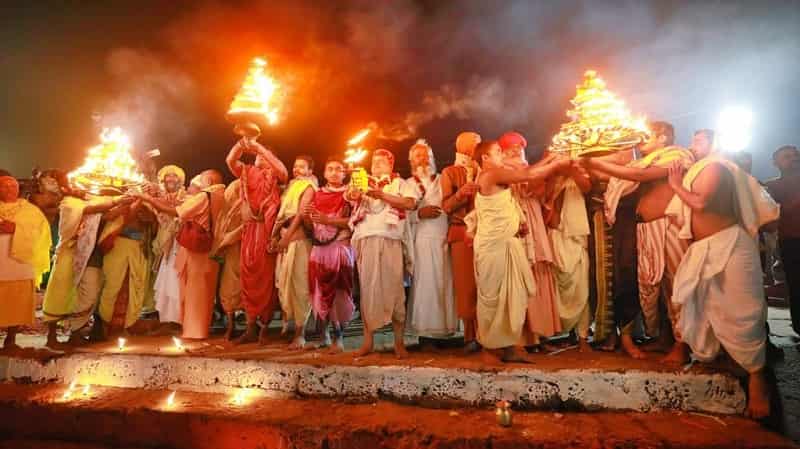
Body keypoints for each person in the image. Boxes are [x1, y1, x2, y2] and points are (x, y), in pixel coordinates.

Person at [665, 129, 779, 418]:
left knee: (742, 312)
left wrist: (676, 184)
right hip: (705, 248)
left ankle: (758, 380)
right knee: (697, 303)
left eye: (699, 139)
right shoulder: (700, 170)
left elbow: (701, 203)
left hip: (730, 244)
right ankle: (690, 352)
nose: (692, 144)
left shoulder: (715, 166)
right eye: (693, 139)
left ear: (715, 145)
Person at [582, 122, 695, 362]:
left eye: (646, 135)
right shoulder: (644, 160)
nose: (639, 139)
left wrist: (593, 161)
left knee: (677, 287)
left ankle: (682, 347)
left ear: (663, 137)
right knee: (658, 288)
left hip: (669, 228)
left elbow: (640, 176)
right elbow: (624, 175)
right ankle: (666, 338)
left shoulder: (676, 155)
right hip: (647, 230)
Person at [467, 140, 570, 363]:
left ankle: (509, 347)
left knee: (514, 297)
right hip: (493, 247)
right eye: (497, 152)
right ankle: (489, 350)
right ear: (484, 158)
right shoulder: (490, 175)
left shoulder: (496, 175)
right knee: (493, 300)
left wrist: (552, 157)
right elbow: (530, 174)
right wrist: (555, 160)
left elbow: (526, 174)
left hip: (508, 243)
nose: (502, 155)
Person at [138, 170, 225, 339]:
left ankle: (194, 332)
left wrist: (147, 198)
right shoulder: (220, 195)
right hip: (209, 250)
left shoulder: (204, 196)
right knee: (203, 290)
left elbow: (176, 212)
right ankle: (194, 328)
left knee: (194, 291)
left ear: (207, 181)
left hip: (196, 250)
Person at [347, 149, 417, 358]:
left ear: (391, 165)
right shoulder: (361, 181)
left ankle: (399, 343)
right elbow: (351, 197)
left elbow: (410, 203)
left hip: (391, 239)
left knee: (395, 289)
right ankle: (368, 342)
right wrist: (358, 192)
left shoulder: (400, 183)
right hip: (366, 238)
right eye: (374, 162)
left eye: (381, 162)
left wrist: (382, 195)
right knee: (368, 290)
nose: (376, 165)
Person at [498, 132, 563, 349]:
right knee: (519, 273)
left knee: (539, 272)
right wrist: (550, 159)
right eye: (511, 147)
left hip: (534, 220)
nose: (516, 150)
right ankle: (519, 339)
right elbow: (526, 179)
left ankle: (539, 334)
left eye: (520, 146)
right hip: (516, 221)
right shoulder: (503, 169)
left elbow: (538, 189)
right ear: (502, 151)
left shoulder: (530, 167)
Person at [42, 188, 126, 346]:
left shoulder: (98, 203)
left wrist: (134, 199)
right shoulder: (69, 203)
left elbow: (109, 215)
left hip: (93, 256)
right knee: (59, 295)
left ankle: (76, 332)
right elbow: (92, 209)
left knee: (89, 295)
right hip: (69, 254)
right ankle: (51, 337)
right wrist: (119, 199)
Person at [225, 137, 287, 344]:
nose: (260, 158)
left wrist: (260, 146)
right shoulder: (247, 171)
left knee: (265, 279)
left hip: (267, 232)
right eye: (258, 155)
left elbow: (283, 172)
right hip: (249, 231)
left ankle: (264, 327)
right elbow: (230, 161)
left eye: (264, 155)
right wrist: (241, 145)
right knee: (247, 277)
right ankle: (250, 326)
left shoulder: (274, 175)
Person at [405, 140, 457, 340]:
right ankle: (425, 335)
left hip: (444, 237)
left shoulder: (444, 179)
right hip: (422, 240)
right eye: (418, 155)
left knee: (446, 282)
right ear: (411, 160)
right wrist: (419, 214)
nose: (424, 158)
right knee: (425, 285)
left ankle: (448, 332)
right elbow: (402, 214)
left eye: (427, 154)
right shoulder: (407, 184)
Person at [303, 159, 355, 353]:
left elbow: (353, 221)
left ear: (344, 174)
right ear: (324, 173)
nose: (334, 173)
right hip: (319, 250)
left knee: (340, 293)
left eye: (339, 170)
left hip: (340, 247)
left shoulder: (351, 195)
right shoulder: (316, 194)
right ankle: (320, 335)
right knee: (318, 292)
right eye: (330, 169)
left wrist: (327, 220)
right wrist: (309, 218)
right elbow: (311, 227)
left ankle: (339, 338)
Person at [544, 153, 593, 351]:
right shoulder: (550, 178)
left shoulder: (580, 175)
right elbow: (545, 201)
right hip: (554, 238)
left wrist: (573, 166)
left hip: (576, 239)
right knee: (554, 288)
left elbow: (586, 187)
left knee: (581, 287)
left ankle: (582, 338)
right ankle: (550, 334)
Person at [440, 131, 482, 353]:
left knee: (486, 284)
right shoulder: (450, 172)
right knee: (466, 286)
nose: (478, 146)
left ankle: (489, 335)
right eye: (475, 144)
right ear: (462, 148)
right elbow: (446, 207)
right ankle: (469, 336)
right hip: (461, 231)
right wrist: (460, 195)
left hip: (486, 233)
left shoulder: (484, 170)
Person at [0, 176, 51, 349]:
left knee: (17, 299)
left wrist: (15, 229)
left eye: (12, 186)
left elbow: (41, 234)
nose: (8, 189)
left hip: (20, 263)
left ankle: (11, 338)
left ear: (18, 189)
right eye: (4, 186)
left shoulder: (31, 210)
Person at [96, 192, 157, 338]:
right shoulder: (120, 205)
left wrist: (152, 220)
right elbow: (122, 219)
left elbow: (154, 231)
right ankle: (106, 326)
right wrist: (136, 204)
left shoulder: (150, 206)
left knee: (136, 286)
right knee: (112, 286)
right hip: (119, 247)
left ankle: (127, 325)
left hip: (139, 248)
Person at [273, 155, 317, 349]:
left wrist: (285, 237)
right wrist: (274, 236)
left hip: (298, 240)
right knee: (284, 285)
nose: (297, 170)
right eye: (295, 166)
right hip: (286, 239)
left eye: (302, 167)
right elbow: (282, 215)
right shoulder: (291, 187)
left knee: (300, 288)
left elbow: (299, 215)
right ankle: (289, 328)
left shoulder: (308, 187)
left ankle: (301, 334)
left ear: (310, 171)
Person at [765, 145, 800, 336]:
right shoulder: (772, 187)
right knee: (796, 285)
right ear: (775, 163)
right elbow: (766, 216)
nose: (793, 158)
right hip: (791, 242)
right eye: (787, 156)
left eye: (796, 155)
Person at [151, 165, 187, 331]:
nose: (171, 179)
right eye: (167, 176)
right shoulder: (159, 197)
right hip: (164, 243)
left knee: (176, 279)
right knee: (165, 279)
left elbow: (179, 214)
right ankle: (165, 320)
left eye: (174, 176)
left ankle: (177, 320)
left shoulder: (187, 197)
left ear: (180, 180)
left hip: (180, 243)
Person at [211, 178, 244, 341]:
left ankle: (253, 326)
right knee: (228, 287)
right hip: (231, 249)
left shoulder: (255, 188)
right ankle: (231, 325)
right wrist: (224, 240)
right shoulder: (232, 188)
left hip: (249, 244)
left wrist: (232, 236)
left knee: (249, 285)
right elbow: (223, 221)